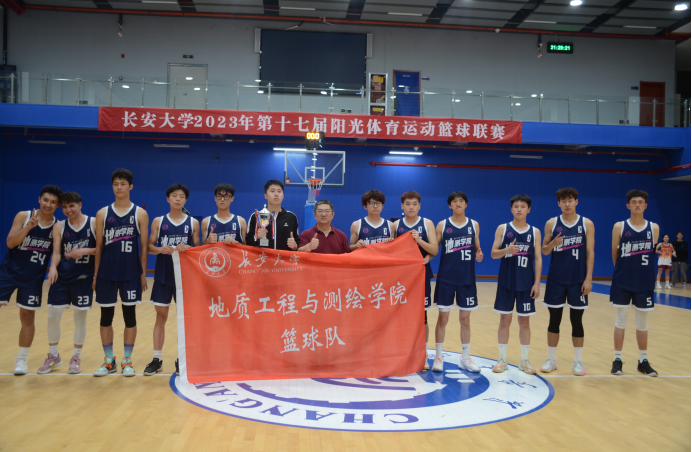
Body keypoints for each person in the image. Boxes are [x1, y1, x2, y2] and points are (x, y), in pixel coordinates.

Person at [93, 168, 149, 377]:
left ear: (130, 186)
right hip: (107, 273)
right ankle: (109, 360)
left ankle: (127, 359)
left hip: (130, 273)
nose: (119, 187)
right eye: (116, 184)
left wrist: (142, 273)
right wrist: (96, 275)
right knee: (105, 317)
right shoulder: (102, 213)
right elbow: (99, 246)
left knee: (129, 317)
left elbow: (143, 247)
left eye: (123, 184)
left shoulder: (140, 214)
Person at [0, 185, 62, 375]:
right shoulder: (23, 216)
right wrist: (28, 227)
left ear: (58, 205)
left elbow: (56, 253)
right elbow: (10, 243)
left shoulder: (57, 226)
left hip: (33, 278)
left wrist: (53, 267)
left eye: (53, 202)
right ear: (39, 200)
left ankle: (21, 360)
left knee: (27, 317)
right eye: (45, 200)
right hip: (8, 273)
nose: (48, 205)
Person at [144, 184, 200, 376]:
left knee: (184, 319)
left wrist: (189, 248)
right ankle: (156, 359)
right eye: (174, 196)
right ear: (168, 199)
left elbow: (198, 249)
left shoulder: (193, 223)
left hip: (184, 278)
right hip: (163, 274)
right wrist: (160, 249)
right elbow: (149, 247)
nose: (178, 199)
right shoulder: (158, 221)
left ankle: (181, 359)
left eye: (181, 196)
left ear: (185, 200)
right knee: (161, 317)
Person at [540, 188, 595, 376]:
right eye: (563, 201)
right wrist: (552, 244)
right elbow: (544, 251)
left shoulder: (586, 223)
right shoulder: (551, 223)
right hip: (556, 280)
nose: (567, 204)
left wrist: (588, 278)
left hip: (577, 280)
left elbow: (590, 252)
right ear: (558, 204)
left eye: (570, 200)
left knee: (576, 321)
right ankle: (551, 359)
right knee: (554, 320)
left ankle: (578, 362)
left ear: (576, 202)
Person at [41, 192, 96, 375]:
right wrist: (53, 268)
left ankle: (76, 358)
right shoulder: (59, 226)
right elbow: (57, 252)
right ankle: (53, 356)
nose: (68, 210)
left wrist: (84, 250)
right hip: (62, 277)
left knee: (79, 318)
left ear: (80, 205)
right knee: (52, 316)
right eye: (64, 207)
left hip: (83, 277)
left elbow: (103, 249)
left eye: (71, 206)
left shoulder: (93, 223)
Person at [490, 194, 542, 374]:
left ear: (529, 209)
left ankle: (524, 360)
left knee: (524, 322)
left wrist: (537, 283)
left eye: (523, 206)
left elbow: (538, 258)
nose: (519, 209)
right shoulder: (503, 228)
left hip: (526, 283)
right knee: (505, 320)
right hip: (506, 282)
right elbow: (493, 254)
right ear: (511, 209)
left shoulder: (535, 232)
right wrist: (507, 250)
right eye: (516, 206)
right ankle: (502, 359)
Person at [610, 189, 659, 377]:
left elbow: (651, 253)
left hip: (644, 282)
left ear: (645, 206)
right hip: (623, 281)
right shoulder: (619, 226)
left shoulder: (653, 228)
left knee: (642, 323)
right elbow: (615, 254)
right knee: (620, 320)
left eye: (640, 202)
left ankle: (643, 361)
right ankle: (617, 360)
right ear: (628, 205)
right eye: (634, 202)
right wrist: (624, 271)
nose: (637, 205)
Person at [432, 191, 481, 373]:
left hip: (466, 279)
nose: (458, 204)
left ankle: (465, 358)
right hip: (446, 279)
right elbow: (434, 248)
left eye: (461, 201)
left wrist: (479, 254)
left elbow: (477, 247)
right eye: (454, 201)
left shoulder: (474, 225)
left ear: (466, 204)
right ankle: (438, 356)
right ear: (449, 205)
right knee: (442, 318)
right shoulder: (442, 225)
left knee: (465, 320)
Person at [393, 191, 439, 371]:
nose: (411, 207)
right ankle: (401, 352)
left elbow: (434, 250)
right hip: (401, 277)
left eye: (414, 204)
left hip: (421, 275)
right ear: (402, 206)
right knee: (400, 315)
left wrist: (419, 240)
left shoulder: (427, 223)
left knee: (422, 317)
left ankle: (423, 352)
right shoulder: (396, 225)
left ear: (419, 206)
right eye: (407, 204)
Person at [245, 180, 299, 251]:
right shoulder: (256, 216)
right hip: (263, 257)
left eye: (279, 191)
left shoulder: (291, 217)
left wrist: (295, 246)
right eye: (272, 191)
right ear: (265, 196)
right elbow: (247, 242)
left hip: (283, 258)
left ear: (283, 196)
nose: (276, 194)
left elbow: (297, 242)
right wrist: (256, 237)